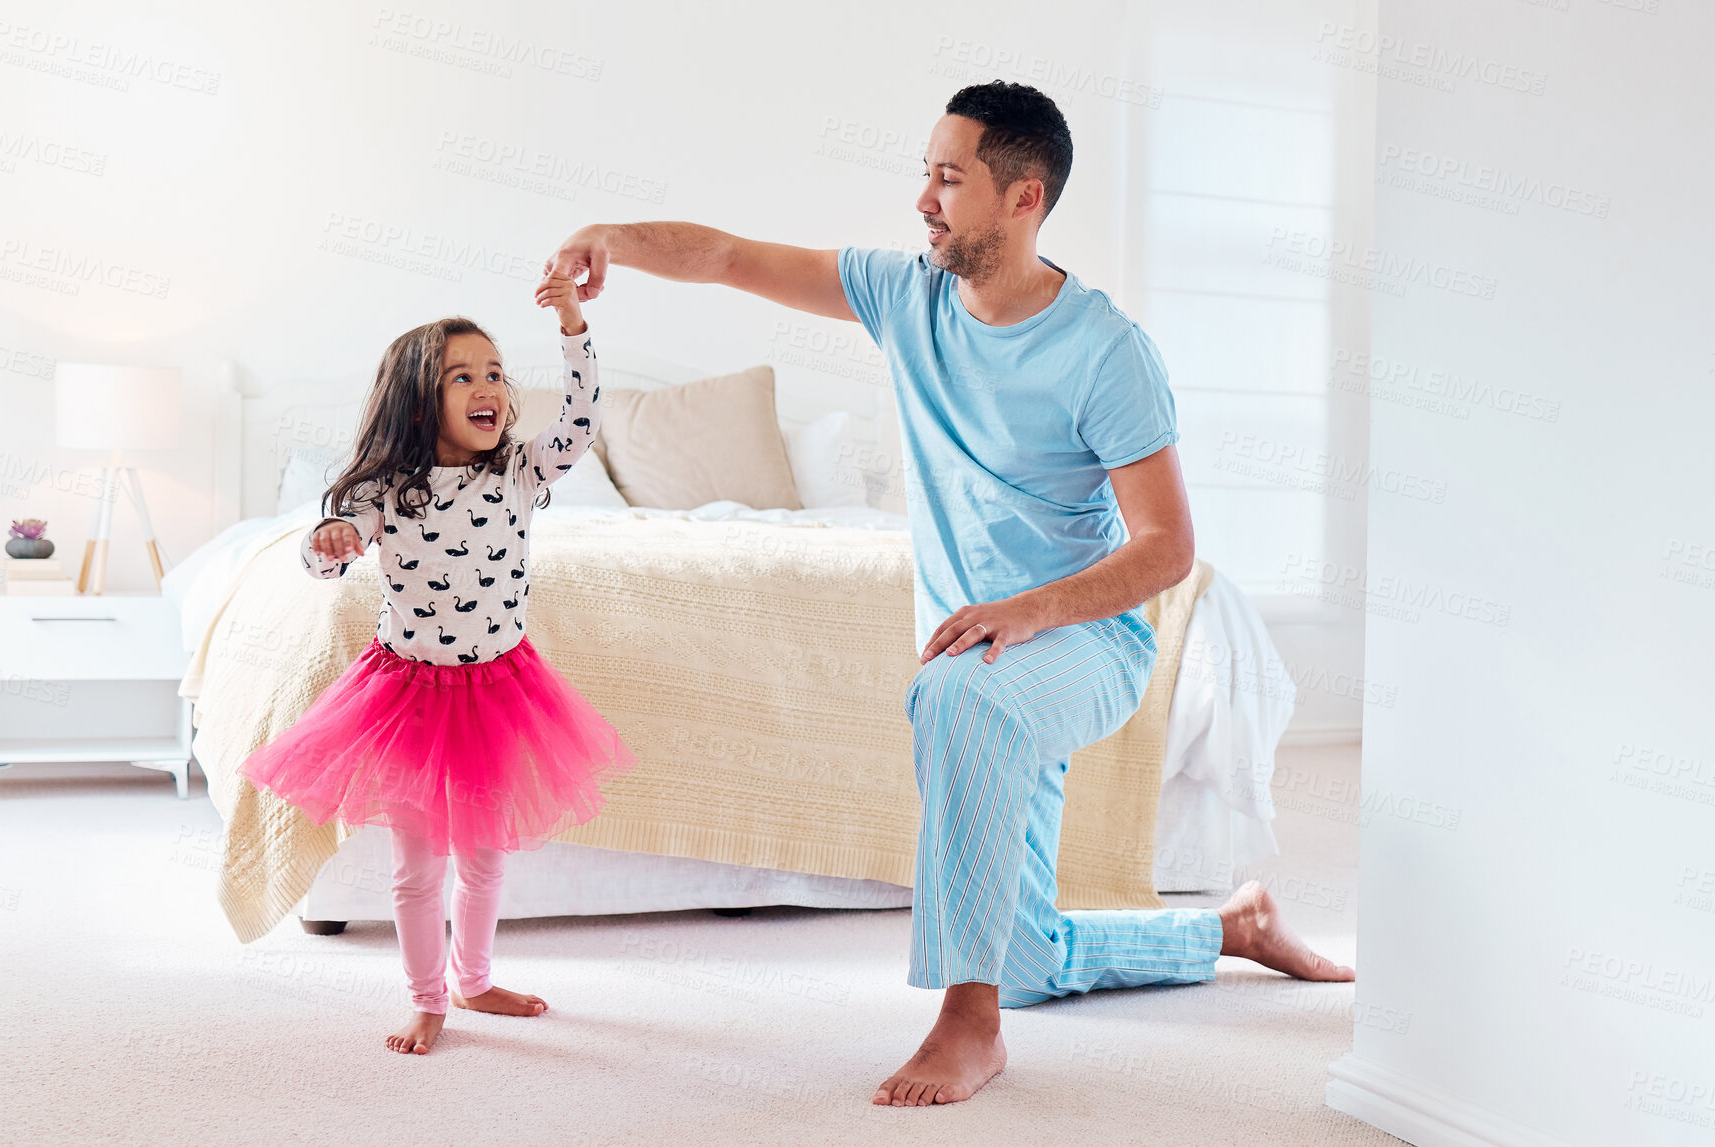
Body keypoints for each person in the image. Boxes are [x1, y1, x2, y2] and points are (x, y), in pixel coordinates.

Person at [544, 80, 1355, 1106]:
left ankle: (968, 1024)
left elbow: (1164, 551)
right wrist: (609, 234)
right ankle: (1230, 927)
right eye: (924, 174)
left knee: (955, 693)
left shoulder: (1106, 352)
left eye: (946, 178)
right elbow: (733, 257)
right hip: (982, 654)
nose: (922, 200)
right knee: (1023, 948)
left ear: (1023, 198)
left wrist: (1022, 611)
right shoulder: (905, 297)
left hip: (1084, 644)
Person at [239, 279, 635, 1056]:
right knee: (419, 868)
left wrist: (572, 325)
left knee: (485, 857)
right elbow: (337, 542)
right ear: (422, 403)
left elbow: (581, 421)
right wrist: (328, 540)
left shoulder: (519, 470)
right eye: (465, 376)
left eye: (495, 373)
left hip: (499, 688)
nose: (489, 387)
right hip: (411, 695)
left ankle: (473, 976)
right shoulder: (387, 490)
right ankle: (426, 998)